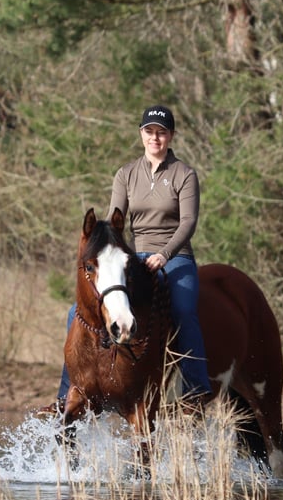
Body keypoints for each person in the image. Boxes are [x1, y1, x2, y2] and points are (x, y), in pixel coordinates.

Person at [48, 105, 212, 412]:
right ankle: (66, 394)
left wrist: (164, 255)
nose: (155, 138)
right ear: (141, 134)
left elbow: (188, 222)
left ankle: (195, 388)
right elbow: (115, 223)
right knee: (76, 313)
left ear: (171, 136)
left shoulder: (184, 174)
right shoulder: (126, 174)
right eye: (149, 132)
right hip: (135, 257)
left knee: (183, 310)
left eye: (161, 132)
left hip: (175, 257)